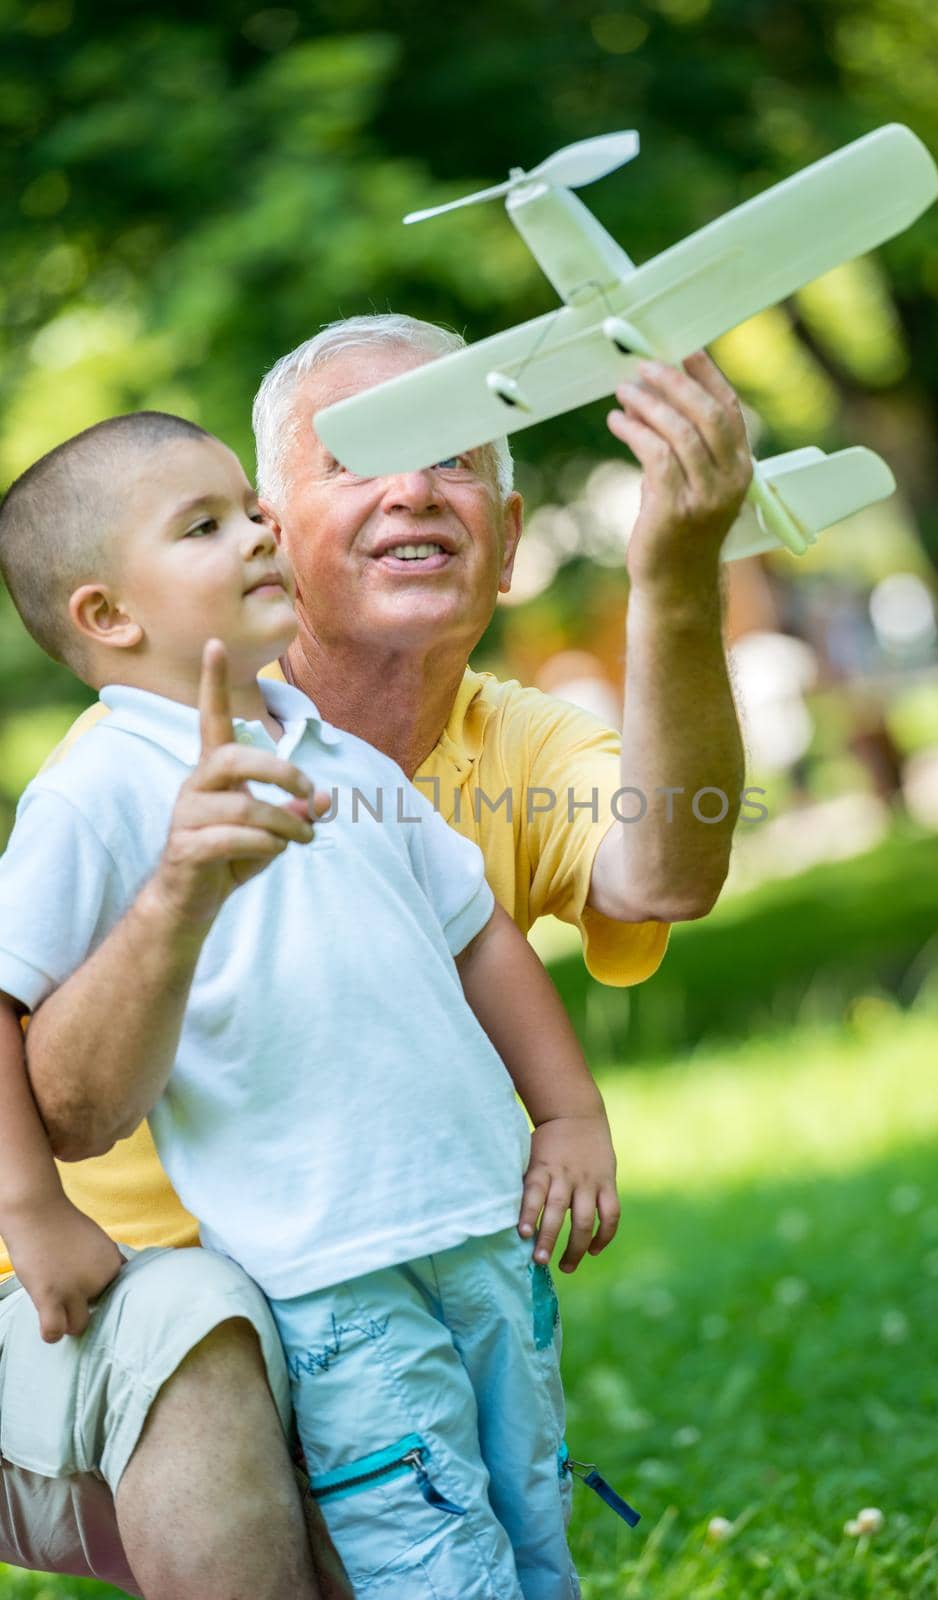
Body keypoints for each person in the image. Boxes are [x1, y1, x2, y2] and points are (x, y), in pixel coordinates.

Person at [0, 316, 749, 1594]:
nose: (414, 486)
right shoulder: (107, 784)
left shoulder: (402, 759)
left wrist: (675, 574)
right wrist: (31, 1210)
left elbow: (633, 878)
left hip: (422, 1254)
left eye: (456, 458)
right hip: (129, 1307)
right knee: (223, 1348)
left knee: (508, 1529)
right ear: (286, 532)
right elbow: (56, 1093)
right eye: (361, 457)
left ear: (510, 542)